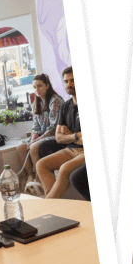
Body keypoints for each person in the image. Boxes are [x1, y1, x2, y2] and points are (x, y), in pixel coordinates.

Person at [36, 67, 85, 199]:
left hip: (85, 152)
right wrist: (75, 136)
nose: (69, 84)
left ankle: (49, 205)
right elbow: (58, 138)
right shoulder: (66, 106)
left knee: (64, 169)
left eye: (73, 80)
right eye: (66, 81)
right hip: (70, 150)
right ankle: (54, 202)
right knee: (41, 164)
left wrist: (68, 136)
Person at [16, 73, 65, 184]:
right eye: (34, 87)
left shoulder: (55, 101)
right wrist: (34, 137)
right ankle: (31, 178)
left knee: (33, 147)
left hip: (55, 135)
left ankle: (40, 179)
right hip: (43, 135)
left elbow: (54, 128)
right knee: (20, 148)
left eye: (40, 86)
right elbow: (36, 126)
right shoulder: (37, 102)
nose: (37, 89)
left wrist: (36, 141)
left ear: (47, 86)